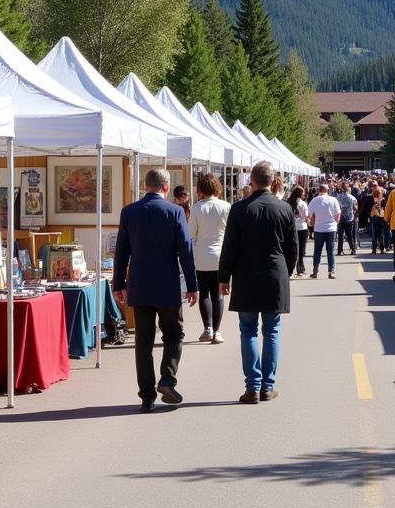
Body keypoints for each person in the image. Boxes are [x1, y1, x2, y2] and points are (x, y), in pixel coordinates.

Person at [113, 168, 198, 412]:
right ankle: (167, 379)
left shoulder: (129, 212)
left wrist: (118, 283)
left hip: (139, 285)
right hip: (168, 285)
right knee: (174, 334)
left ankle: (147, 396)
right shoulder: (175, 212)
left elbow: (121, 251)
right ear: (166, 186)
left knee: (143, 340)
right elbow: (186, 251)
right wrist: (192, 286)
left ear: (146, 185)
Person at [218, 161, 298, 404]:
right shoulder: (284, 209)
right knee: (272, 330)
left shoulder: (240, 209)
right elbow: (293, 247)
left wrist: (223, 277)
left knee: (248, 330)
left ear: (250, 181)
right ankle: (267, 386)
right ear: (273, 181)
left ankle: (252, 386)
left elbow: (229, 247)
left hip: (246, 275)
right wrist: (288, 271)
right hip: (275, 274)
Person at [190, 173, 231, 345]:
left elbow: (191, 233)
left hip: (201, 255)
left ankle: (207, 327)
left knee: (204, 294)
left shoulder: (197, 208)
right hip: (221, 254)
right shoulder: (226, 206)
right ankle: (217, 331)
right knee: (218, 295)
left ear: (200, 188)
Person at [307, 183, 341, 278]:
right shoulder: (333, 199)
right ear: (328, 190)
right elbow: (338, 213)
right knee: (330, 251)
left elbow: (308, 213)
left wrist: (311, 222)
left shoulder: (314, 200)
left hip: (318, 228)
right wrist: (336, 222)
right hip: (330, 228)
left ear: (319, 190)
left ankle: (315, 270)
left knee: (317, 250)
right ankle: (331, 271)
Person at [287, 185, 310, 276]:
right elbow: (305, 216)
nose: (304, 193)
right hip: (302, 227)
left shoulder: (289, 202)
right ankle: (300, 268)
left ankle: (293, 267)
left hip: (292, 227)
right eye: (303, 192)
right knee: (301, 249)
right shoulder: (302, 203)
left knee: (293, 248)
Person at [337, 183, 358, 255]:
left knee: (340, 236)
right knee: (350, 235)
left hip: (340, 218)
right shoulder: (352, 198)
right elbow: (355, 208)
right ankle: (352, 249)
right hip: (349, 218)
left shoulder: (337, 197)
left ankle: (340, 250)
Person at [369, 184, 388, 254]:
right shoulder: (383, 200)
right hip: (382, 218)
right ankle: (382, 249)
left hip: (374, 218)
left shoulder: (372, 199)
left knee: (374, 235)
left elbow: (369, 209)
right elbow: (386, 209)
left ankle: (374, 249)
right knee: (381, 234)